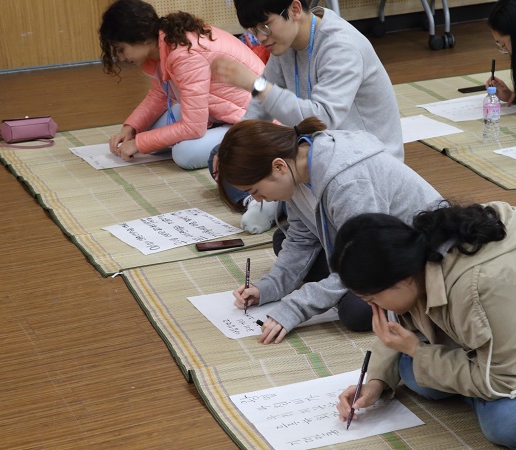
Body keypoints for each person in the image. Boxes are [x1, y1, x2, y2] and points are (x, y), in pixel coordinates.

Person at [332, 202, 516, 447]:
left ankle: (479, 387)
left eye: (373, 298)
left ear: (401, 279)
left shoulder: (481, 283)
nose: (374, 308)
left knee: (507, 424)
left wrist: (419, 352)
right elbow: (405, 324)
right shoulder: (422, 254)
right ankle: (472, 381)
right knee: (410, 369)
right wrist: (375, 381)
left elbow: (500, 380)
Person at [216, 117, 441, 339]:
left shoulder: (346, 182)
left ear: (279, 166)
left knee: (357, 311)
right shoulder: (297, 170)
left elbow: (366, 259)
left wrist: (295, 307)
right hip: (370, 249)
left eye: (255, 190)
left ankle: (339, 289)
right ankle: (337, 288)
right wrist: (268, 287)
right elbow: (301, 240)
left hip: (421, 256)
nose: (259, 199)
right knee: (282, 240)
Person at [210, 0, 404, 233]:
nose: (260, 38)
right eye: (253, 30)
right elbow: (259, 110)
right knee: (223, 156)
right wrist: (230, 145)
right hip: (318, 152)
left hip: (359, 169)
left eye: (265, 25)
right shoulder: (284, 43)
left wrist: (256, 85)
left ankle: (271, 199)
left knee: (290, 244)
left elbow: (323, 118)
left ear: (293, 9)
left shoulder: (341, 46)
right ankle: (266, 197)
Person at [98, 0, 264, 169]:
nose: (121, 58)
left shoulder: (185, 54)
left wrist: (139, 144)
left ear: (141, 37)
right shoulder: (165, 43)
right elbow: (159, 95)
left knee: (184, 154)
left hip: (252, 121)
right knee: (143, 135)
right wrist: (130, 128)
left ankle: (246, 143)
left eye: (121, 49)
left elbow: (194, 127)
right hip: (218, 114)